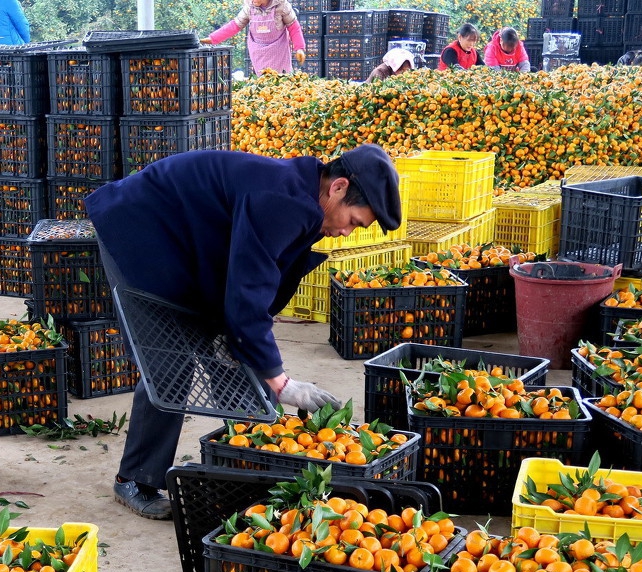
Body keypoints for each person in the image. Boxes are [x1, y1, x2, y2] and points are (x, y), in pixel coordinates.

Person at [84, 145, 403, 519]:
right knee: (169, 365)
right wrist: (282, 383)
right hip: (141, 232)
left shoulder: (305, 197)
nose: (347, 232)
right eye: (353, 220)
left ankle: (255, 462)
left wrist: (259, 363)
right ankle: (135, 478)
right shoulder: (282, 199)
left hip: (192, 246)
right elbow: (248, 296)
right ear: (338, 188)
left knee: (233, 348)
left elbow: (255, 293)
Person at [201, 0, 307, 75]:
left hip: (278, 49)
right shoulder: (249, 7)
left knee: (281, 78)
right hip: (258, 51)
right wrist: (213, 38)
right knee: (263, 80)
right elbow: (235, 25)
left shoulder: (281, 6)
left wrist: (299, 48)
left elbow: (294, 27)